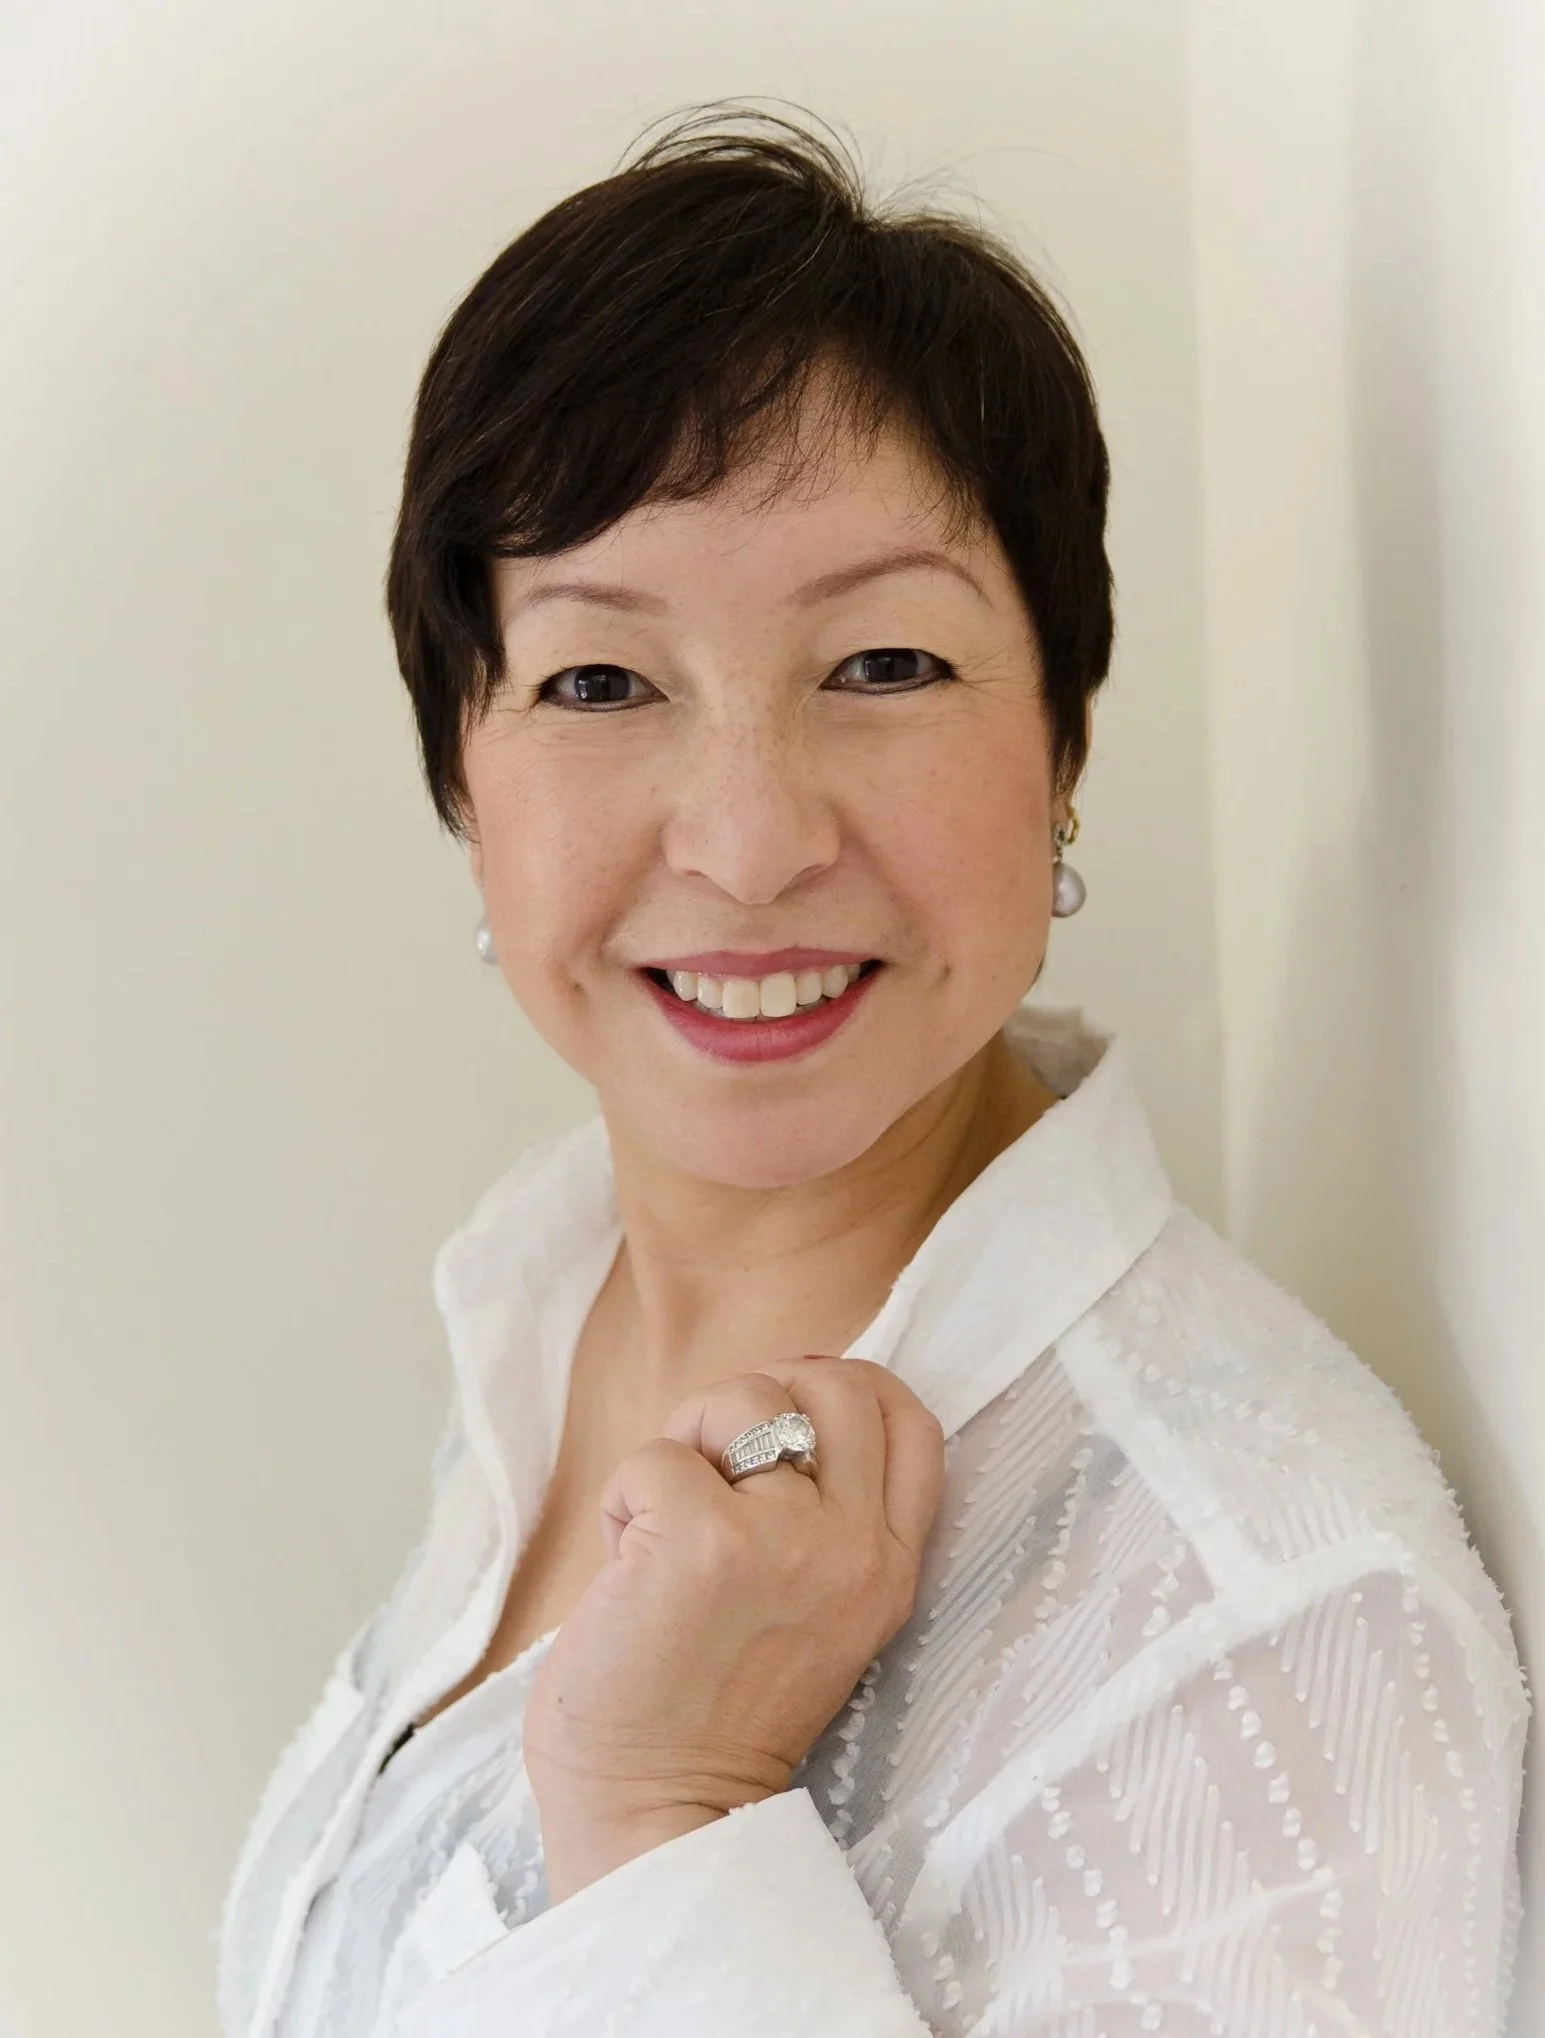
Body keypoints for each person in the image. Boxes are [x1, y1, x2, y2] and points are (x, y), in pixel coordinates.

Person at [217, 107, 1528, 2038]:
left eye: (885, 664)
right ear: (461, 779)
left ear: (1067, 739)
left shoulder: (1264, 1628)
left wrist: (674, 1822)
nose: (747, 842)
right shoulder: (548, 1303)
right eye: (599, 681)